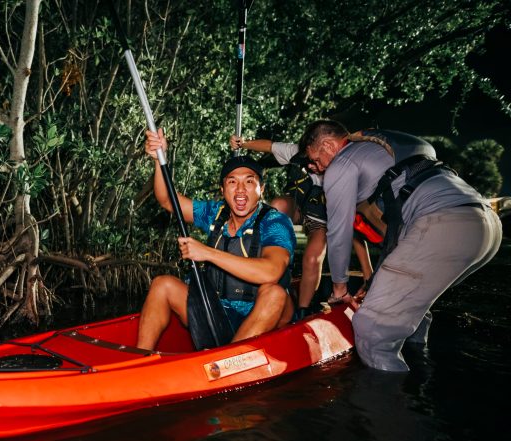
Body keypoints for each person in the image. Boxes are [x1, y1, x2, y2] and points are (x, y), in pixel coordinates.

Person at [299, 119, 502, 371]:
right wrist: (373, 284)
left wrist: (339, 289)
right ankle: (419, 373)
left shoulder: (343, 163)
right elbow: (401, 233)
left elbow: (338, 232)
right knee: (411, 308)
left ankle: (386, 406)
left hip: (444, 224)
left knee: (372, 329)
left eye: (316, 161)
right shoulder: (380, 151)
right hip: (484, 226)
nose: (317, 169)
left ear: (329, 145)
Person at [136, 129, 297, 350]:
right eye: (232, 182)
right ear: (223, 190)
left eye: (249, 182)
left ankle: (229, 360)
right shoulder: (215, 213)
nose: (240, 189)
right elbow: (168, 201)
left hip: (262, 318)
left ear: (262, 189)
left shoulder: (275, 222)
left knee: (276, 293)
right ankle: (140, 359)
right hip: (217, 311)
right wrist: (158, 159)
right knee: (162, 284)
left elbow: (271, 271)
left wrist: (207, 252)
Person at [229, 137, 374, 317]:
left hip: (320, 220)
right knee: (278, 205)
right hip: (297, 207)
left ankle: (303, 310)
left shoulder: (343, 171)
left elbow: (352, 228)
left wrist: (368, 273)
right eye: (311, 159)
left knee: (313, 257)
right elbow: (270, 146)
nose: (314, 165)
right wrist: (243, 143)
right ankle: (267, 259)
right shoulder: (299, 151)